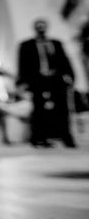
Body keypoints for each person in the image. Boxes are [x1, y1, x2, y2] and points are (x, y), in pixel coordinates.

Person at [17, 18, 76, 147]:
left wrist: (71, 76)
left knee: (62, 109)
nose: (41, 29)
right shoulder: (27, 45)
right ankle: (39, 138)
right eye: (39, 26)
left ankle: (66, 137)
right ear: (35, 28)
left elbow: (65, 61)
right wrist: (22, 82)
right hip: (37, 80)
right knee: (39, 110)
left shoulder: (55, 43)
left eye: (43, 26)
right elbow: (23, 65)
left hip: (56, 79)